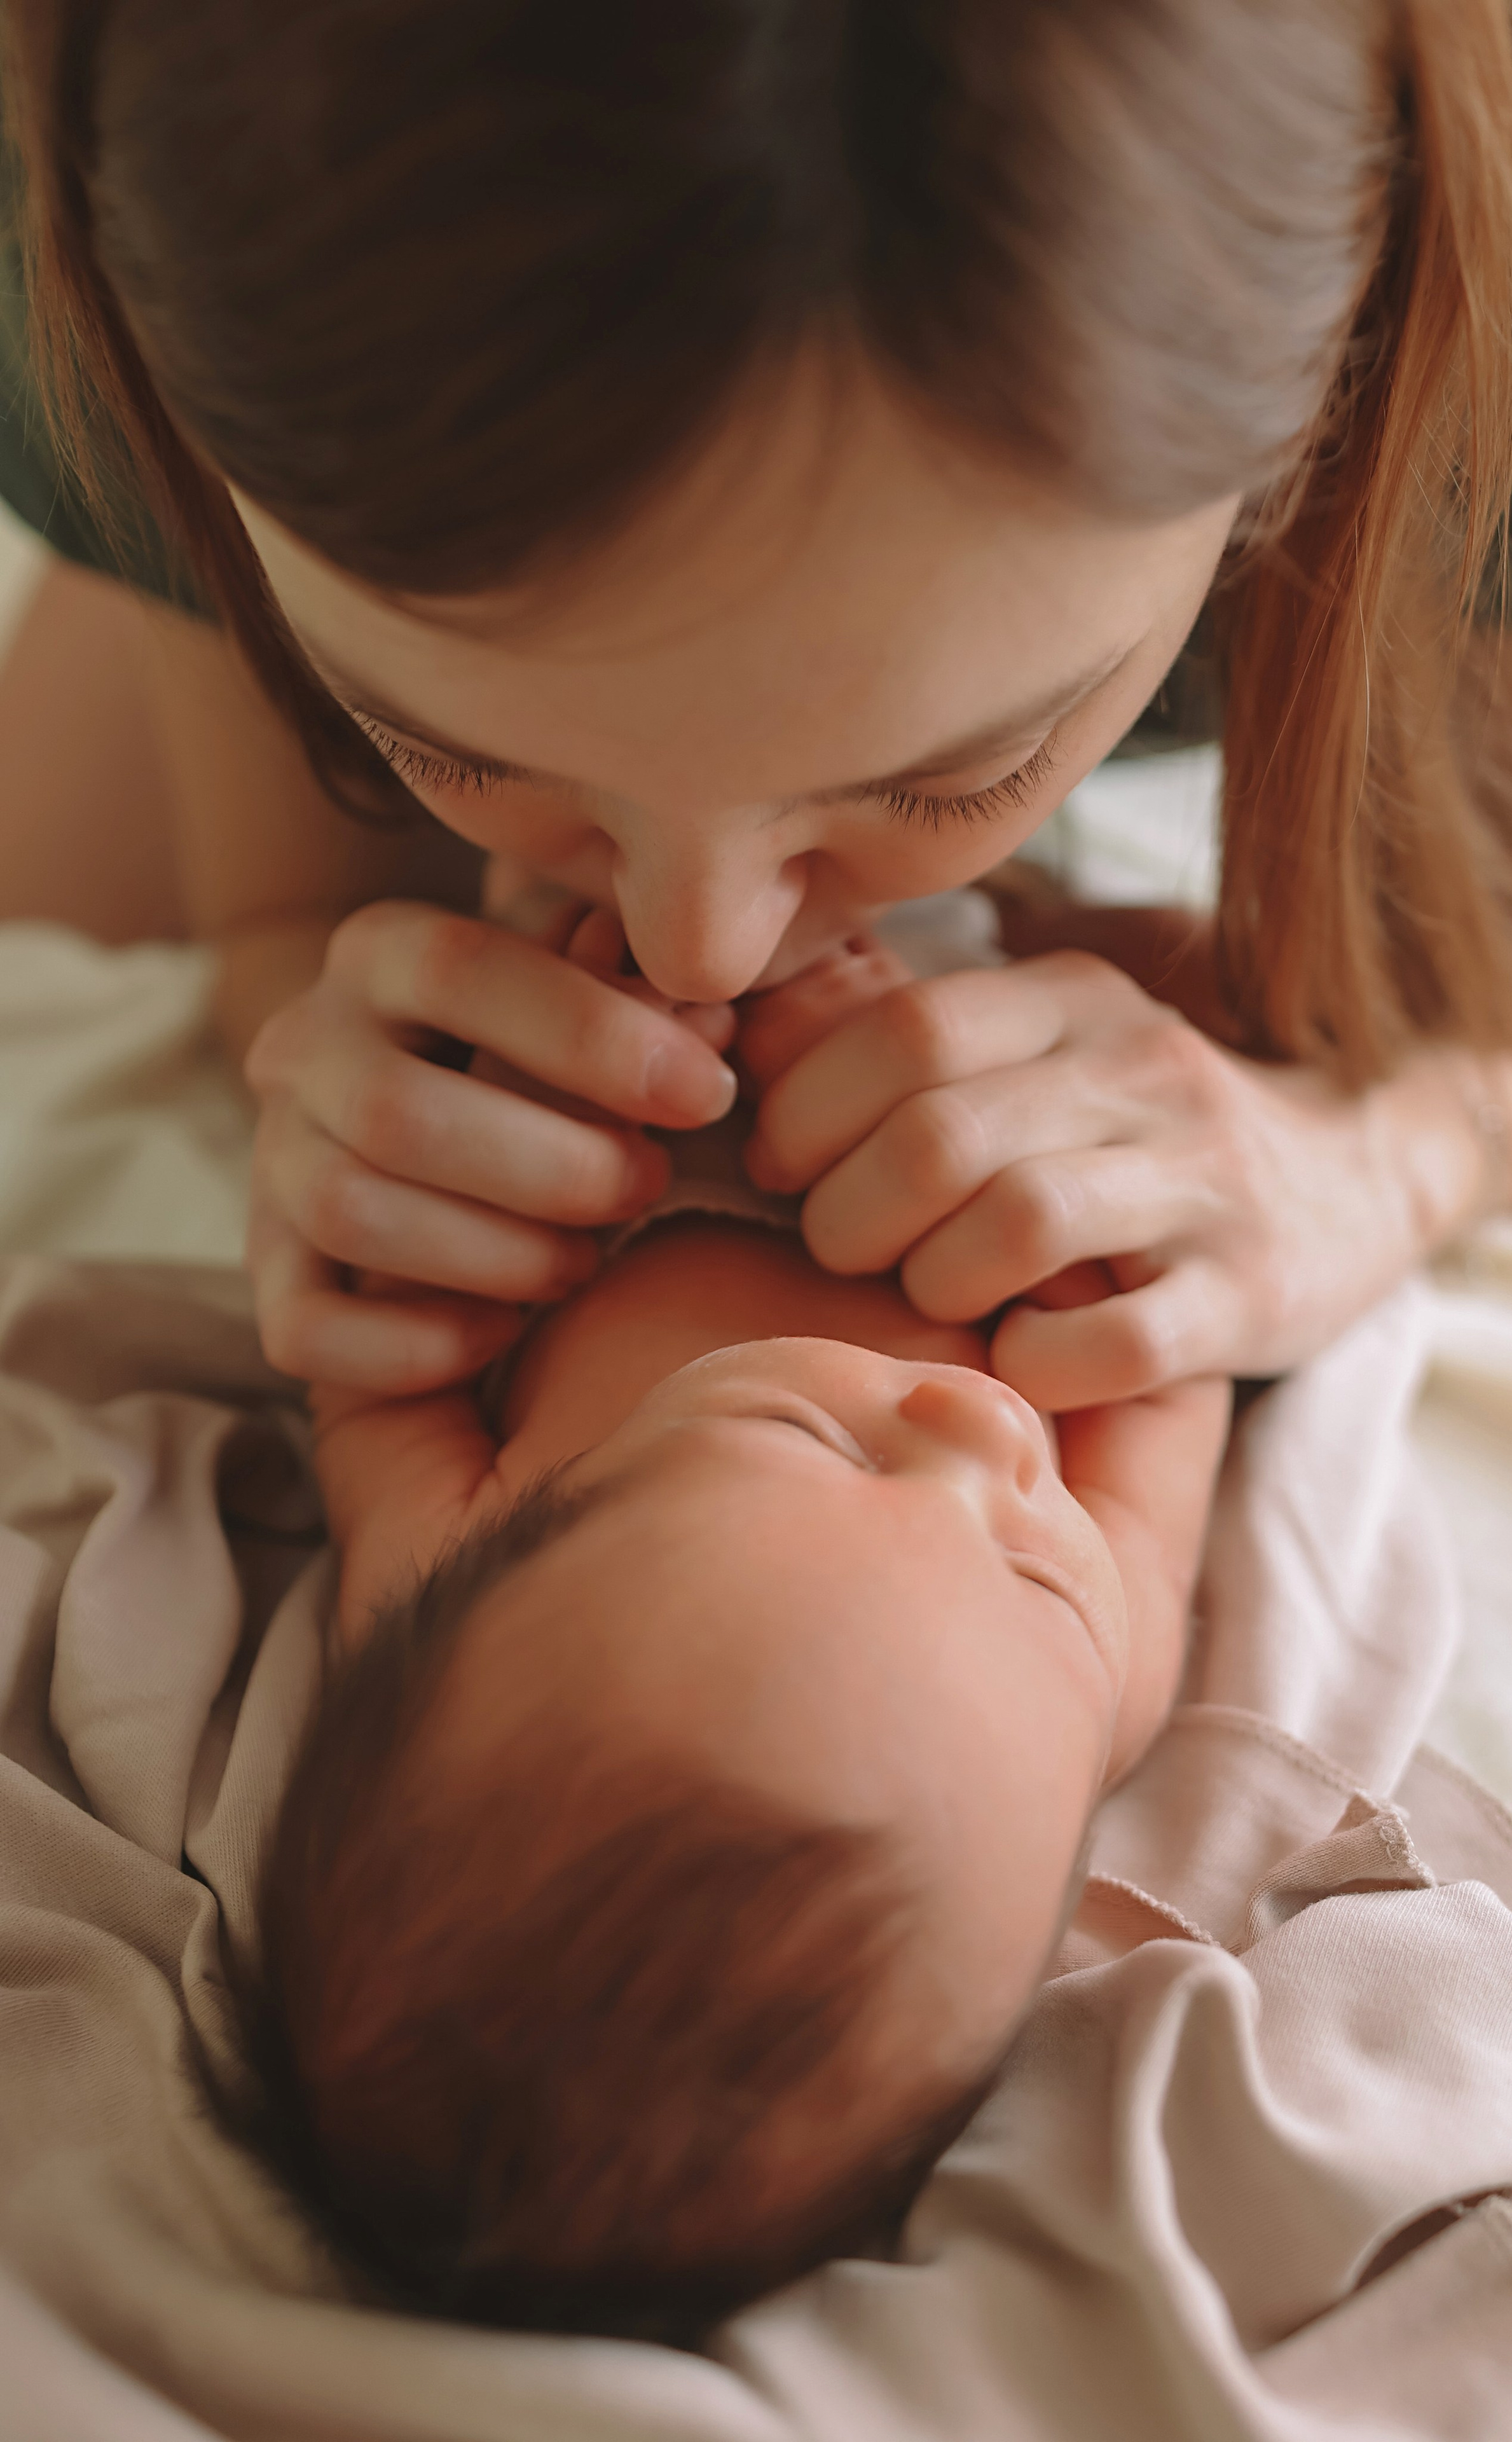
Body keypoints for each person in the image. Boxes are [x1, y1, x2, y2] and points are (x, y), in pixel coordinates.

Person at [2, 0, 1512, 1410]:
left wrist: (1397, 1156)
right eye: (441, 743)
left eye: (949, 775)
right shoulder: (173, 180)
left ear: (1344, 345)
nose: (698, 954)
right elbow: (290, 913)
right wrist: (333, 1053)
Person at [242, 932, 1229, 2338]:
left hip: (611, 1170)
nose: (984, 1431)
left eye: (812, 1439)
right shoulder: (1109, 1685)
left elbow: (374, 1378)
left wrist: (531, 1125)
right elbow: (1164, 1371)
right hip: (961, 1169)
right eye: (1036, 1576)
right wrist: (1062, 1256)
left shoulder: (437, 1575)